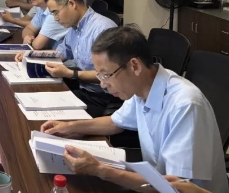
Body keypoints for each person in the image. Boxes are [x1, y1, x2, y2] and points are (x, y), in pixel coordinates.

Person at [40, 27, 228, 193]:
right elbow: (114, 122)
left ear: (134, 66)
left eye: (106, 75)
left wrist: (100, 170)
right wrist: (69, 127)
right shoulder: (143, 86)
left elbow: (178, 187)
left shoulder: (185, 105)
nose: (103, 84)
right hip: (156, 181)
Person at [43, 0, 118, 117]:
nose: (55, 19)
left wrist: (71, 74)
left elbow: (110, 75)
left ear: (71, 4)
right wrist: (31, 55)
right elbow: (60, 53)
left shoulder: (102, 28)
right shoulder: (74, 28)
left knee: (51, 113)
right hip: (84, 90)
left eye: (56, 13)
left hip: (103, 97)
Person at [3, 0, 67, 50]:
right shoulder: (41, 8)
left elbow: (37, 45)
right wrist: (27, 37)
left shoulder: (54, 13)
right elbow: (29, 28)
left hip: (62, 56)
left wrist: (30, 41)